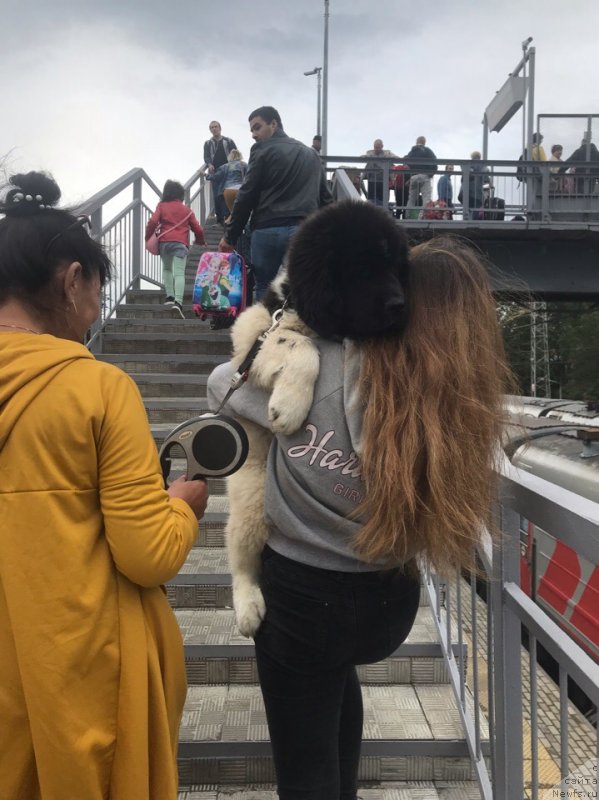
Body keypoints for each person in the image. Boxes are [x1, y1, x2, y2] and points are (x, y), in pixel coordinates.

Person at [207, 200, 513, 800]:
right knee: (337, 685)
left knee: (303, 770)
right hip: (388, 603)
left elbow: (224, 386)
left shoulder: (325, 368)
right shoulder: (456, 401)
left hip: (302, 601)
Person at [0, 171, 209, 799]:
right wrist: (184, 505)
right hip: (81, 674)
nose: (94, 308)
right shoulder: (98, 388)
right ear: (71, 280)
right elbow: (149, 554)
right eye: (96, 287)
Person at [218, 105, 332, 300]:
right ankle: (293, 327)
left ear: (274, 123)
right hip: (303, 230)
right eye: (252, 130)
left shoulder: (262, 149)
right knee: (298, 286)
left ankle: (263, 329)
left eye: (257, 127)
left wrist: (230, 236)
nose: (254, 134)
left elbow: (247, 193)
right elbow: (326, 200)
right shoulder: (312, 155)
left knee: (264, 286)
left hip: (266, 230)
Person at [145, 180, 205, 318]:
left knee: (167, 268)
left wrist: (148, 236)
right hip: (180, 244)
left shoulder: (162, 206)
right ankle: (178, 303)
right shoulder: (187, 210)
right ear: (181, 195)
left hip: (165, 242)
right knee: (179, 273)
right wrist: (200, 241)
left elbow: (153, 222)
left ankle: (169, 297)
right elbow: (198, 229)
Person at [203, 120, 237, 224]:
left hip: (228, 171)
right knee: (217, 195)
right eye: (212, 127)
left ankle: (228, 216)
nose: (214, 129)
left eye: (216, 127)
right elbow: (206, 156)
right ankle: (219, 219)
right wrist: (209, 164)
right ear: (210, 130)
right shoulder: (208, 143)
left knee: (227, 193)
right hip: (216, 171)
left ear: (220, 128)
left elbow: (235, 153)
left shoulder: (229, 141)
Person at [206, 149, 247, 221]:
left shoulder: (224, 166)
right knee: (242, 210)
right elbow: (251, 175)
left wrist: (206, 175)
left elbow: (216, 177)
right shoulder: (244, 165)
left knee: (227, 211)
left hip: (227, 191)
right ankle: (243, 227)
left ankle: (227, 225)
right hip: (241, 190)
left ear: (230, 157)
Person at [361, 138, 399, 206]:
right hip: (372, 180)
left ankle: (381, 213)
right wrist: (364, 157)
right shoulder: (370, 153)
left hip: (384, 181)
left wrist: (390, 157)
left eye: (378, 147)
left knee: (383, 201)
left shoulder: (387, 153)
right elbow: (364, 156)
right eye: (375, 147)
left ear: (382, 146)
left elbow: (398, 158)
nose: (376, 149)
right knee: (371, 201)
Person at [404, 135, 438, 208]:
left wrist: (410, 176)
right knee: (426, 199)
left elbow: (406, 162)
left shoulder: (412, 151)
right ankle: (424, 217)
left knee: (411, 200)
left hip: (413, 177)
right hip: (424, 176)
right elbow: (434, 162)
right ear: (424, 142)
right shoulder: (427, 150)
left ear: (416, 142)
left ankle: (407, 216)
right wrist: (430, 174)